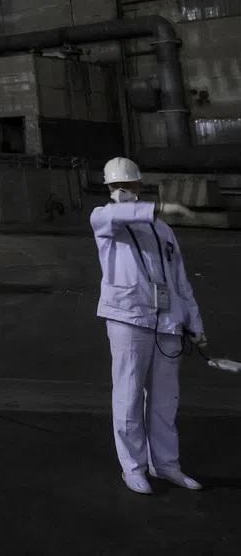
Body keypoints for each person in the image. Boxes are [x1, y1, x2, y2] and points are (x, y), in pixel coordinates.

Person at [91, 157, 207, 495]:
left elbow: (180, 280)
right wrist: (162, 206)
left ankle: (167, 465)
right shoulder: (105, 220)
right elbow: (115, 214)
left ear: (141, 185)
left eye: (129, 185)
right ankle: (133, 468)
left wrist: (194, 322)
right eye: (116, 186)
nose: (123, 191)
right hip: (128, 317)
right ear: (109, 189)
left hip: (168, 321)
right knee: (128, 397)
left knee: (165, 400)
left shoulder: (163, 229)